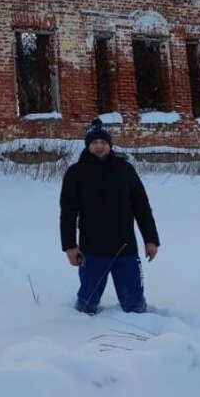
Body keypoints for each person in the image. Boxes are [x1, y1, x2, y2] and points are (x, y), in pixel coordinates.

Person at [60, 117, 160, 315]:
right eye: (95, 142)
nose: (99, 147)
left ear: (110, 145)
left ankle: (141, 336)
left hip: (125, 249)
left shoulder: (124, 170)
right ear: (88, 145)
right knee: (86, 306)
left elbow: (142, 207)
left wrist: (151, 239)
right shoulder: (76, 173)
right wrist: (70, 246)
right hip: (92, 250)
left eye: (103, 142)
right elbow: (68, 212)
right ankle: (78, 335)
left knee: (135, 306)